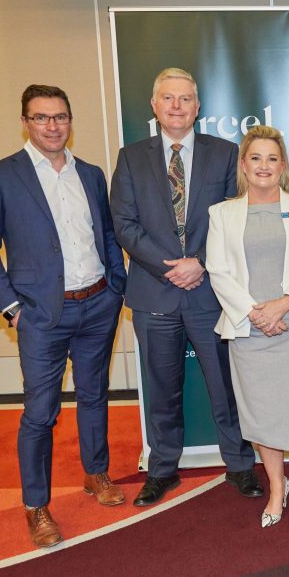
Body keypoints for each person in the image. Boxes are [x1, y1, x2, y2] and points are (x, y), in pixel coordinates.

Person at [0, 84, 127, 548]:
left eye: (60, 117)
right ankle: (36, 506)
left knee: (95, 395)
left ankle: (96, 473)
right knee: (40, 413)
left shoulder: (90, 174)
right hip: (40, 315)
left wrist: (116, 286)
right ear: (25, 122)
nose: (52, 126)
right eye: (41, 117)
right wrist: (12, 309)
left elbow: (107, 235)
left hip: (98, 304)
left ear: (70, 121)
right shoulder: (0, 175)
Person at [110, 67, 261, 506]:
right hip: (154, 293)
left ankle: (240, 465)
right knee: (161, 389)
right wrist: (169, 268)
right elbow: (124, 224)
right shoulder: (131, 157)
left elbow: (236, 216)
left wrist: (200, 262)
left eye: (185, 98)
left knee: (225, 386)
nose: (176, 106)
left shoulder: (225, 153)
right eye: (168, 98)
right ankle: (162, 470)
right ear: (154, 106)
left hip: (210, 292)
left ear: (197, 107)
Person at [206, 125, 289, 532]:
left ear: (282, 166)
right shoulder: (221, 214)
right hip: (249, 330)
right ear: (244, 165)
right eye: (256, 158)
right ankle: (278, 487)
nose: (264, 166)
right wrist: (255, 313)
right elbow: (218, 271)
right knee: (261, 415)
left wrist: (284, 303)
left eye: (272, 159)